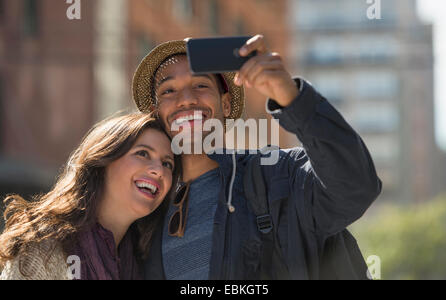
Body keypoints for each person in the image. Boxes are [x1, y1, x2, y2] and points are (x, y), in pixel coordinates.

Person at [132, 35, 382, 280]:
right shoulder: (145, 206)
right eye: (168, 90)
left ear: (226, 104)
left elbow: (355, 188)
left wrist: (293, 99)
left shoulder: (279, 175)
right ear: (156, 113)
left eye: (201, 85)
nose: (185, 99)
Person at [0, 113, 179, 280]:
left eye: (167, 164)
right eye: (142, 153)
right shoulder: (43, 248)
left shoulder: (145, 262)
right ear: (104, 159)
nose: (158, 170)